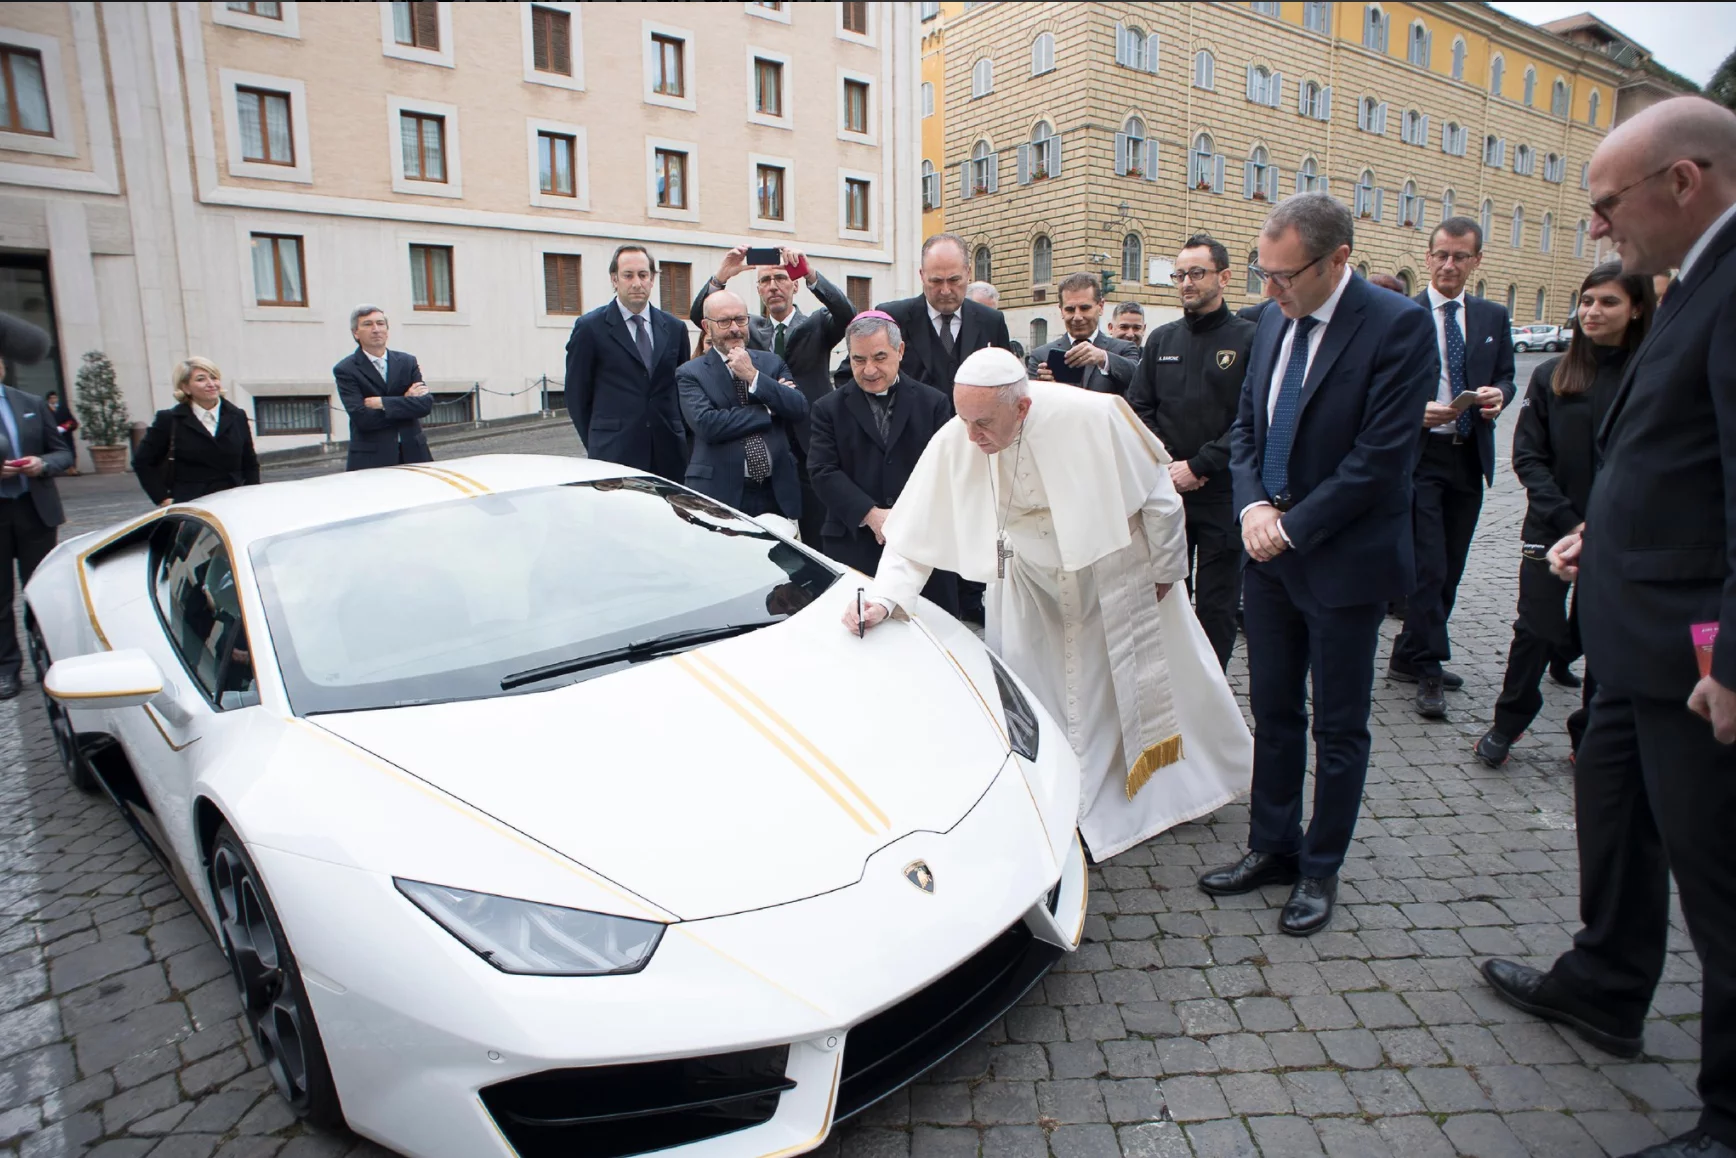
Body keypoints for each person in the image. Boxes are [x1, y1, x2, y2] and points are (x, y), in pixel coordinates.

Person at [1479, 96, 1736, 1158]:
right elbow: (1675, 462)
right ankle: (1605, 980)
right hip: (1631, 636)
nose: (1595, 229)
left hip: (1696, 658)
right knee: (1614, 820)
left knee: (1717, 876)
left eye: (1603, 204)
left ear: (1681, 182)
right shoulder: (1689, 286)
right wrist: (1602, 532)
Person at [843, 347, 1252, 861]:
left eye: (984, 424)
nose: (972, 438)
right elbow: (913, 532)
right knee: (1038, 695)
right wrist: (883, 598)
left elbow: (1160, 500)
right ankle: (1059, 798)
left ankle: (1165, 795)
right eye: (964, 420)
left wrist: (1166, 571)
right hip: (1029, 583)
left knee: (1118, 692)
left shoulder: (1096, 417)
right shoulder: (963, 433)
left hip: (1110, 573)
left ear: (1023, 406)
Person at [1201, 193, 1437, 936]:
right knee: (1274, 711)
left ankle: (1319, 866)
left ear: (1338, 260)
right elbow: (1244, 431)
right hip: (1268, 557)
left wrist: (1290, 525)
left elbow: (1380, 460)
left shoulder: (1398, 327)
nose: (1269, 291)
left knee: (1339, 727)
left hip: (1341, 563)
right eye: (1262, 274)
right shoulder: (1272, 320)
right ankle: (1272, 844)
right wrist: (1251, 511)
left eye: (1284, 275)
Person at [1474, 263, 1655, 767]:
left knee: (1602, 635)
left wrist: (1604, 524)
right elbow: (1529, 457)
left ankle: (1590, 731)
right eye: (1587, 301)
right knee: (1535, 630)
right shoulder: (1553, 374)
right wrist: (1571, 520)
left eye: (1608, 302)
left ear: (1636, 308)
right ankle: (1508, 723)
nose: (1593, 311)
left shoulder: (1652, 373)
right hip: (1552, 529)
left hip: (1622, 531)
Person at [1387, 217, 1516, 718]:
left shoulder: (1491, 317)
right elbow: (1380, 387)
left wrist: (1498, 394)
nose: (1449, 264)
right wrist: (1413, 410)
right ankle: (1430, 667)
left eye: (1460, 256)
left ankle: (1407, 653)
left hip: (1469, 454)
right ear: (1427, 256)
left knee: (1452, 569)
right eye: (1441, 254)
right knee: (1428, 566)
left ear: (1476, 261)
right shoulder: (1402, 314)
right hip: (1420, 458)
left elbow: (1505, 373)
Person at [1128, 234, 1257, 670]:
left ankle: (1211, 688)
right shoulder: (1162, 340)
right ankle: (1173, 682)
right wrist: (1170, 463)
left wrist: (1201, 465)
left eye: (1196, 273)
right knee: (1167, 596)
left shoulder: (1249, 339)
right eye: (1180, 274)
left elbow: (1251, 419)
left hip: (1223, 494)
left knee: (1218, 608)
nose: (1186, 282)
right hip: (1168, 493)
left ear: (1223, 277)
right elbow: (1139, 408)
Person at [692, 245, 853, 543]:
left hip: (810, 440)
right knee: (771, 534)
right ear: (758, 290)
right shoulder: (747, 327)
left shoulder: (817, 324)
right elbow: (701, 315)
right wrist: (722, 276)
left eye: (780, 278)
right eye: (765, 281)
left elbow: (847, 314)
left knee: (818, 530)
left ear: (794, 285)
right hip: (766, 439)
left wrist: (809, 272)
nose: (773, 286)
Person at [807, 312, 958, 614]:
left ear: (900, 351)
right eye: (858, 359)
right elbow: (822, 471)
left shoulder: (934, 403)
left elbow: (945, 471)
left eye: (879, 357)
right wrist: (871, 514)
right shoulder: (827, 408)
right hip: (853, 543)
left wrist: (904, 518)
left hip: (921, 543)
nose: (869, 369)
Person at [677, 290, 806, 520]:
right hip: (719, 493)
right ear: (707, 326)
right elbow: (708, 425)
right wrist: (768, 410)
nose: (735, 328)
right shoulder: (690, 373)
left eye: (740, 319)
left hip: (776, 492)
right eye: (724, 321)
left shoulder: (771, 363)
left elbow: (798, 407)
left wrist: (754, 376)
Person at [566, 244, 690, 479]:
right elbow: (577, 396)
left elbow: (681, 390)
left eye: (643, 275)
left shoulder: (675, 329)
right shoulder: (590, 328)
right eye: (628, 275)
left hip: (668, 454)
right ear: (614, 279)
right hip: (614, 454)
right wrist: (598, 442)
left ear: (652, 279)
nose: (637, 283)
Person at [0, 357, 72, 699]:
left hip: (35, 512)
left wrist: (42, 464)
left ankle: (50, 664)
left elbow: (62, 453)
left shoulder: (29, 404)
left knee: (42, 592)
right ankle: (6, 670)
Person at [876, 234, 1010, 404]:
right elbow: (855, 376)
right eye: (936, 281)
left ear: (968, 273)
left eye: (954, 280)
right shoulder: (892, 318)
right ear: (922, 275)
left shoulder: (992, 321)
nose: (946, 290)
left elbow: (1009, 383)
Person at [132, 357, 261, 506]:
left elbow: (250, 463)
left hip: (233, 502)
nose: (211, 384)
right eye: (201, 379)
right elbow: (143, 462)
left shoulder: (237, 416)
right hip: (191, 506)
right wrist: (163, 499)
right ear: (185, 387)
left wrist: (251, 495)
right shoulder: (169, 420)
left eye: (214, 378)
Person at [332, 306, 433, 471]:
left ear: (387, 329)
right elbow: (362, 418)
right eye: (368, 324)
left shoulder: (407, 362)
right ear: (355, 333)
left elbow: (425, 405)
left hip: (415, 454)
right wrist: (406, 402)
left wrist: (382, 403)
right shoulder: (346, 369)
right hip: (371, 459)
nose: (376, 329)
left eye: (380, 323)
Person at [1027, 274, 1138, 395]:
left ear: (1100, 307)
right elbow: (1033, 405)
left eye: (1084, 308)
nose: (1077, 317)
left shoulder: (1123, 350)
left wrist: (1103, 358)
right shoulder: (1041, 356)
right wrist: (1045, 388)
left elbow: (1137, 379)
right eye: (1070, 309)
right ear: (1061, 310)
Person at [44, 391, 77, 476]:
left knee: (69, 450)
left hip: (65, 435)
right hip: (51, 435)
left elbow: (72, 421)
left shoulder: (63, 408)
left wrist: (64, 428)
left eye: (55, 397)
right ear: (48, 400)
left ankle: (71, 468)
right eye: (52, 398)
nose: (54, 399)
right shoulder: (44, 409)